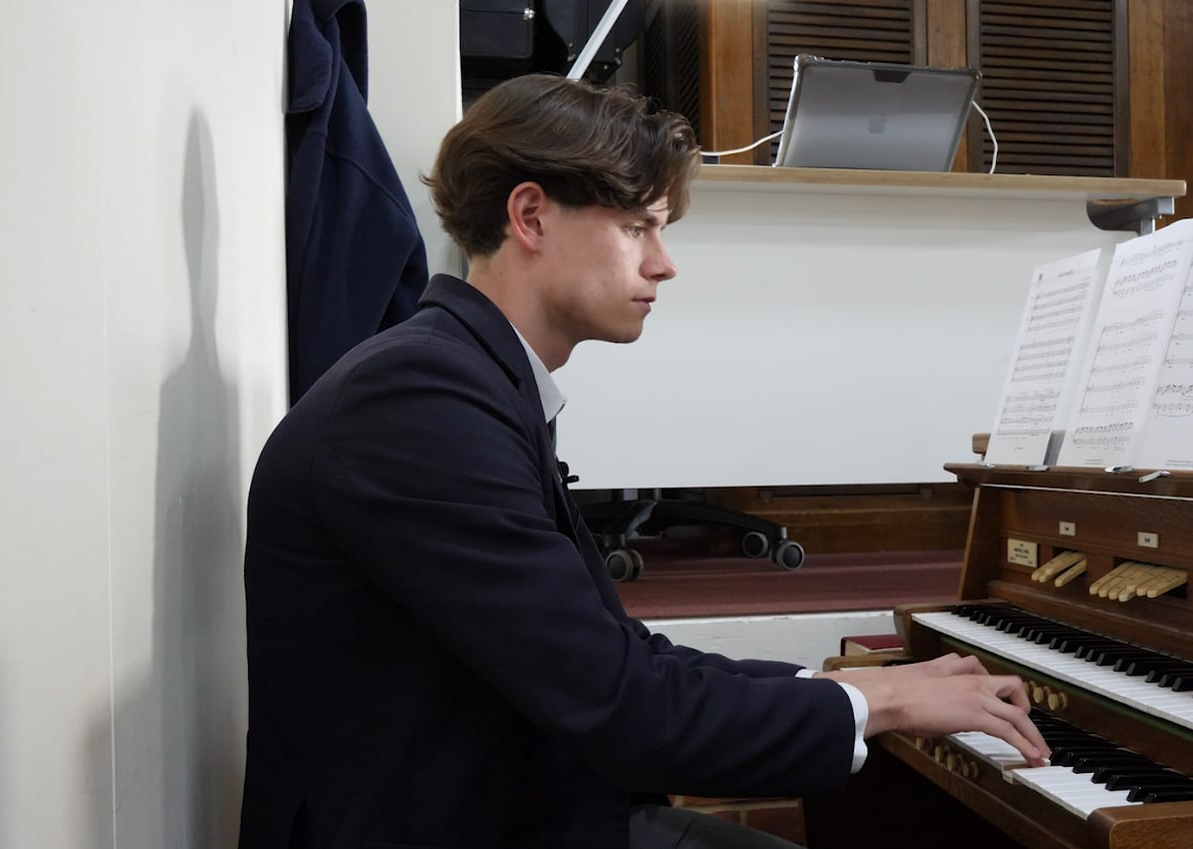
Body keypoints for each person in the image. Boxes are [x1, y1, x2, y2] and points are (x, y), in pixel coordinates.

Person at [237, 73, 1048, 849]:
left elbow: (617, 656)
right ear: (530, 216)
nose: (663, 262)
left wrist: (858, 689)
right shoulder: (420, 401)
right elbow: (622, 705)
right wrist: (882, 702)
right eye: (637, 227)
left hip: (507, 801)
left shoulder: (466, 375)